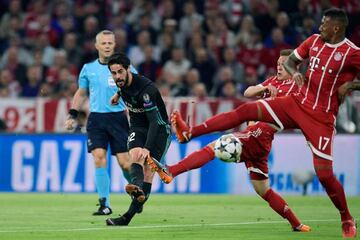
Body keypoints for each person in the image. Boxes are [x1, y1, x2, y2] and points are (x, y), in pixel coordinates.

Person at [171, 8, 359, 238]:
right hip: (296, 103)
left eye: (324, 23)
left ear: (336, 27)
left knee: (325, 176)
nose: (320, 27)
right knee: (246, 110)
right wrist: (294, 71)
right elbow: (291, 62)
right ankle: (190, 132)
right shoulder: (314, 41)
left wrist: (350, 86)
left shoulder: (352, 53)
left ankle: (346, 218)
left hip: (321, 117)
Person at [147, 49, 310, 232]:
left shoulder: (298, 87)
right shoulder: (272, 81)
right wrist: (263, 88)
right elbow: (248, 92)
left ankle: (173, 168)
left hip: (258, 134)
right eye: (278, 63)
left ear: (294, 66)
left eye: (283, 64)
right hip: (259, 142)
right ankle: (297, 223)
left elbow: (303, 111)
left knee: (215, 146)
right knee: (263, 190)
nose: (279, 67)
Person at [64, 30, 137, 216]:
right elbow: (81, 93)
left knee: (125, 163)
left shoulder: (124, 67)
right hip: (96, 119)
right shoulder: (88, 69)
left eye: (110, 43)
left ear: (114, 45)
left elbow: (137, 87)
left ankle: (137, 193)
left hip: (118, 118)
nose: (106, 46)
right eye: (103, 43)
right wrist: (72, 115)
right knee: (98, 158)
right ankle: (104, 204)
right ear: (96, 46)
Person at [105, 52, 171, 226]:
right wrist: (118, 95)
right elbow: (123, 87)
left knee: (148, 170)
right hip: (137, 126)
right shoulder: (122, 83)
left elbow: (154, 123)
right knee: (134, 156)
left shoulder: (146, 90)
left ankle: (126, 218)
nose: (117, 76)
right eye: (113, 73)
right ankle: (137, 189)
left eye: (120, 72)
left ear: (128, 69)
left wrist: (147, 148)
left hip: (159, 129)